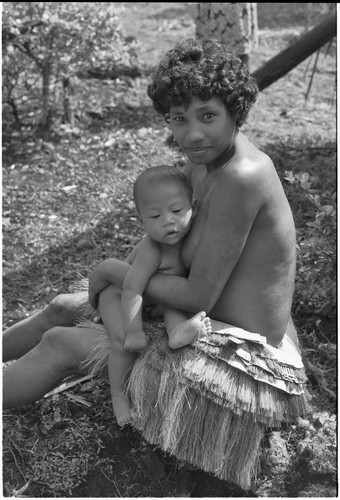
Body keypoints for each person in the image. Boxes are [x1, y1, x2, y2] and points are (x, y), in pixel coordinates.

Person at [3, 39, 308, 490]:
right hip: (208, 318)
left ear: (235, 111)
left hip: (242, 355)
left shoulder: (243, 175)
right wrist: (129, 277)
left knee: (62, 342)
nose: (192, 134)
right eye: (178, 120)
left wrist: (114, 273)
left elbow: (199, 294)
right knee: (63, 305)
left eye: (208, 115)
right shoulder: (202, 161)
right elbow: (168, 245)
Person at [99, 165, 212, 425]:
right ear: (141, 221)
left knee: (174, 303)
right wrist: (135, 331)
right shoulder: (152, 250)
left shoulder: (193, 236)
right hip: (118, 298)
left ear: (192, 206)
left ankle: (177, 333)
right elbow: (131, 289)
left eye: (176, 211)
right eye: (155, 216)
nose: (168, 221)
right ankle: (119, 395)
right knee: (121, 342)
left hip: (154, 301)